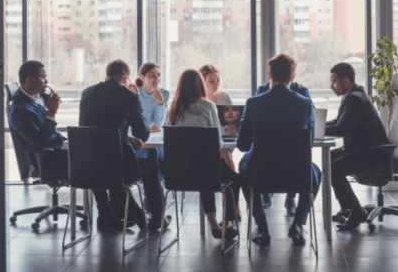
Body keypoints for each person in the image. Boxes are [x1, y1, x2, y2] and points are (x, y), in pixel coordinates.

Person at [79, 60, 171, 233]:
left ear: (106, 75)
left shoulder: (87, 92)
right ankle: (158, 220)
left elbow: (91, 131)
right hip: (116, 167)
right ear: (126, 78)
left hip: (86, 165)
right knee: (150, 167)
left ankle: (108, 215)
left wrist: (126, 137)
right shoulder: (130, 96)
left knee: (104, 165)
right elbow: (143, 134)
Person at [237, 54, 320, 246]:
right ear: (292, 77)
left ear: (269, 75)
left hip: (261, 174)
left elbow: (242, 145)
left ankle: (262, 227)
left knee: (243, 168)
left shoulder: (253, 103)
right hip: (297, 174)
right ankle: (298, 223)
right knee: (316, 174)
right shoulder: (305, 104)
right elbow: (310, 143)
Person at [8, 61, 88, 227]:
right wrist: (52, 112)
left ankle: (108, 209)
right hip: (45, 159)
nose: (46, 81)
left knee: (91, 146)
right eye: (42, 77)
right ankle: (107, 212)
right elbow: (39, 143)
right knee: (91, 157)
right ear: (29, 80)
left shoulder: (32, 98)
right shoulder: (19, 110)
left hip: (55, 150)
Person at [167, 69, 240, 240]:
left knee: (203, 171)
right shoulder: (208, 106)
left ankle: (213, 223)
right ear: (200, 84)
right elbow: (218, 143)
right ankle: (227, 221)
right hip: (205, 171)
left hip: (178, 173)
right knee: (234, 179)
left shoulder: (173, 107)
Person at [326, 62, 390, 231]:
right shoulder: (353, 94)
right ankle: (347, 208)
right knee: (327, 159)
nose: (331, 86)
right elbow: (338, 122)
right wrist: (318, 125)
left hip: (370, 154)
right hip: (361, 150)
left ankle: (356, 213)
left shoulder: (354, 99)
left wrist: (316, 129)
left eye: (333, 81)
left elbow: (340, 129)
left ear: (345, 81)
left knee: (332, 168)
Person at [255, 76, 311, 216]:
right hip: (290, 154)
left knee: (246, 167)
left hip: (279, 150)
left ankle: (288, 198)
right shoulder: (262, 90)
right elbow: (311, 137)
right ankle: (267, 191)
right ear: (291, 75)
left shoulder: (302, 91)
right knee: (307, 169)